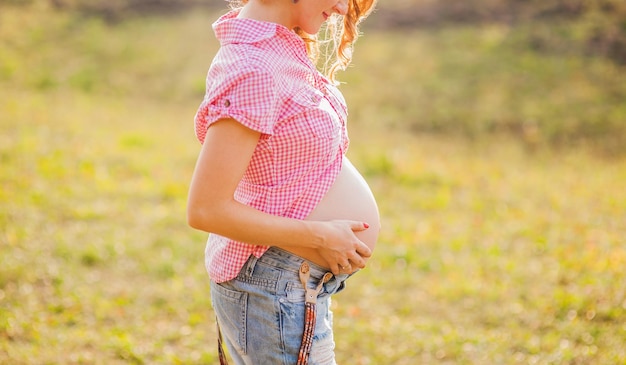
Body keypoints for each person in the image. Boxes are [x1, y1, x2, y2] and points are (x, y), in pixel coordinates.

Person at [187, 0, 379, 362]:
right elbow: (205, 209)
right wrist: (321, 235)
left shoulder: (280, 48)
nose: (341, 8)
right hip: (273, 286)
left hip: (291, 284)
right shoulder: (253, 66)